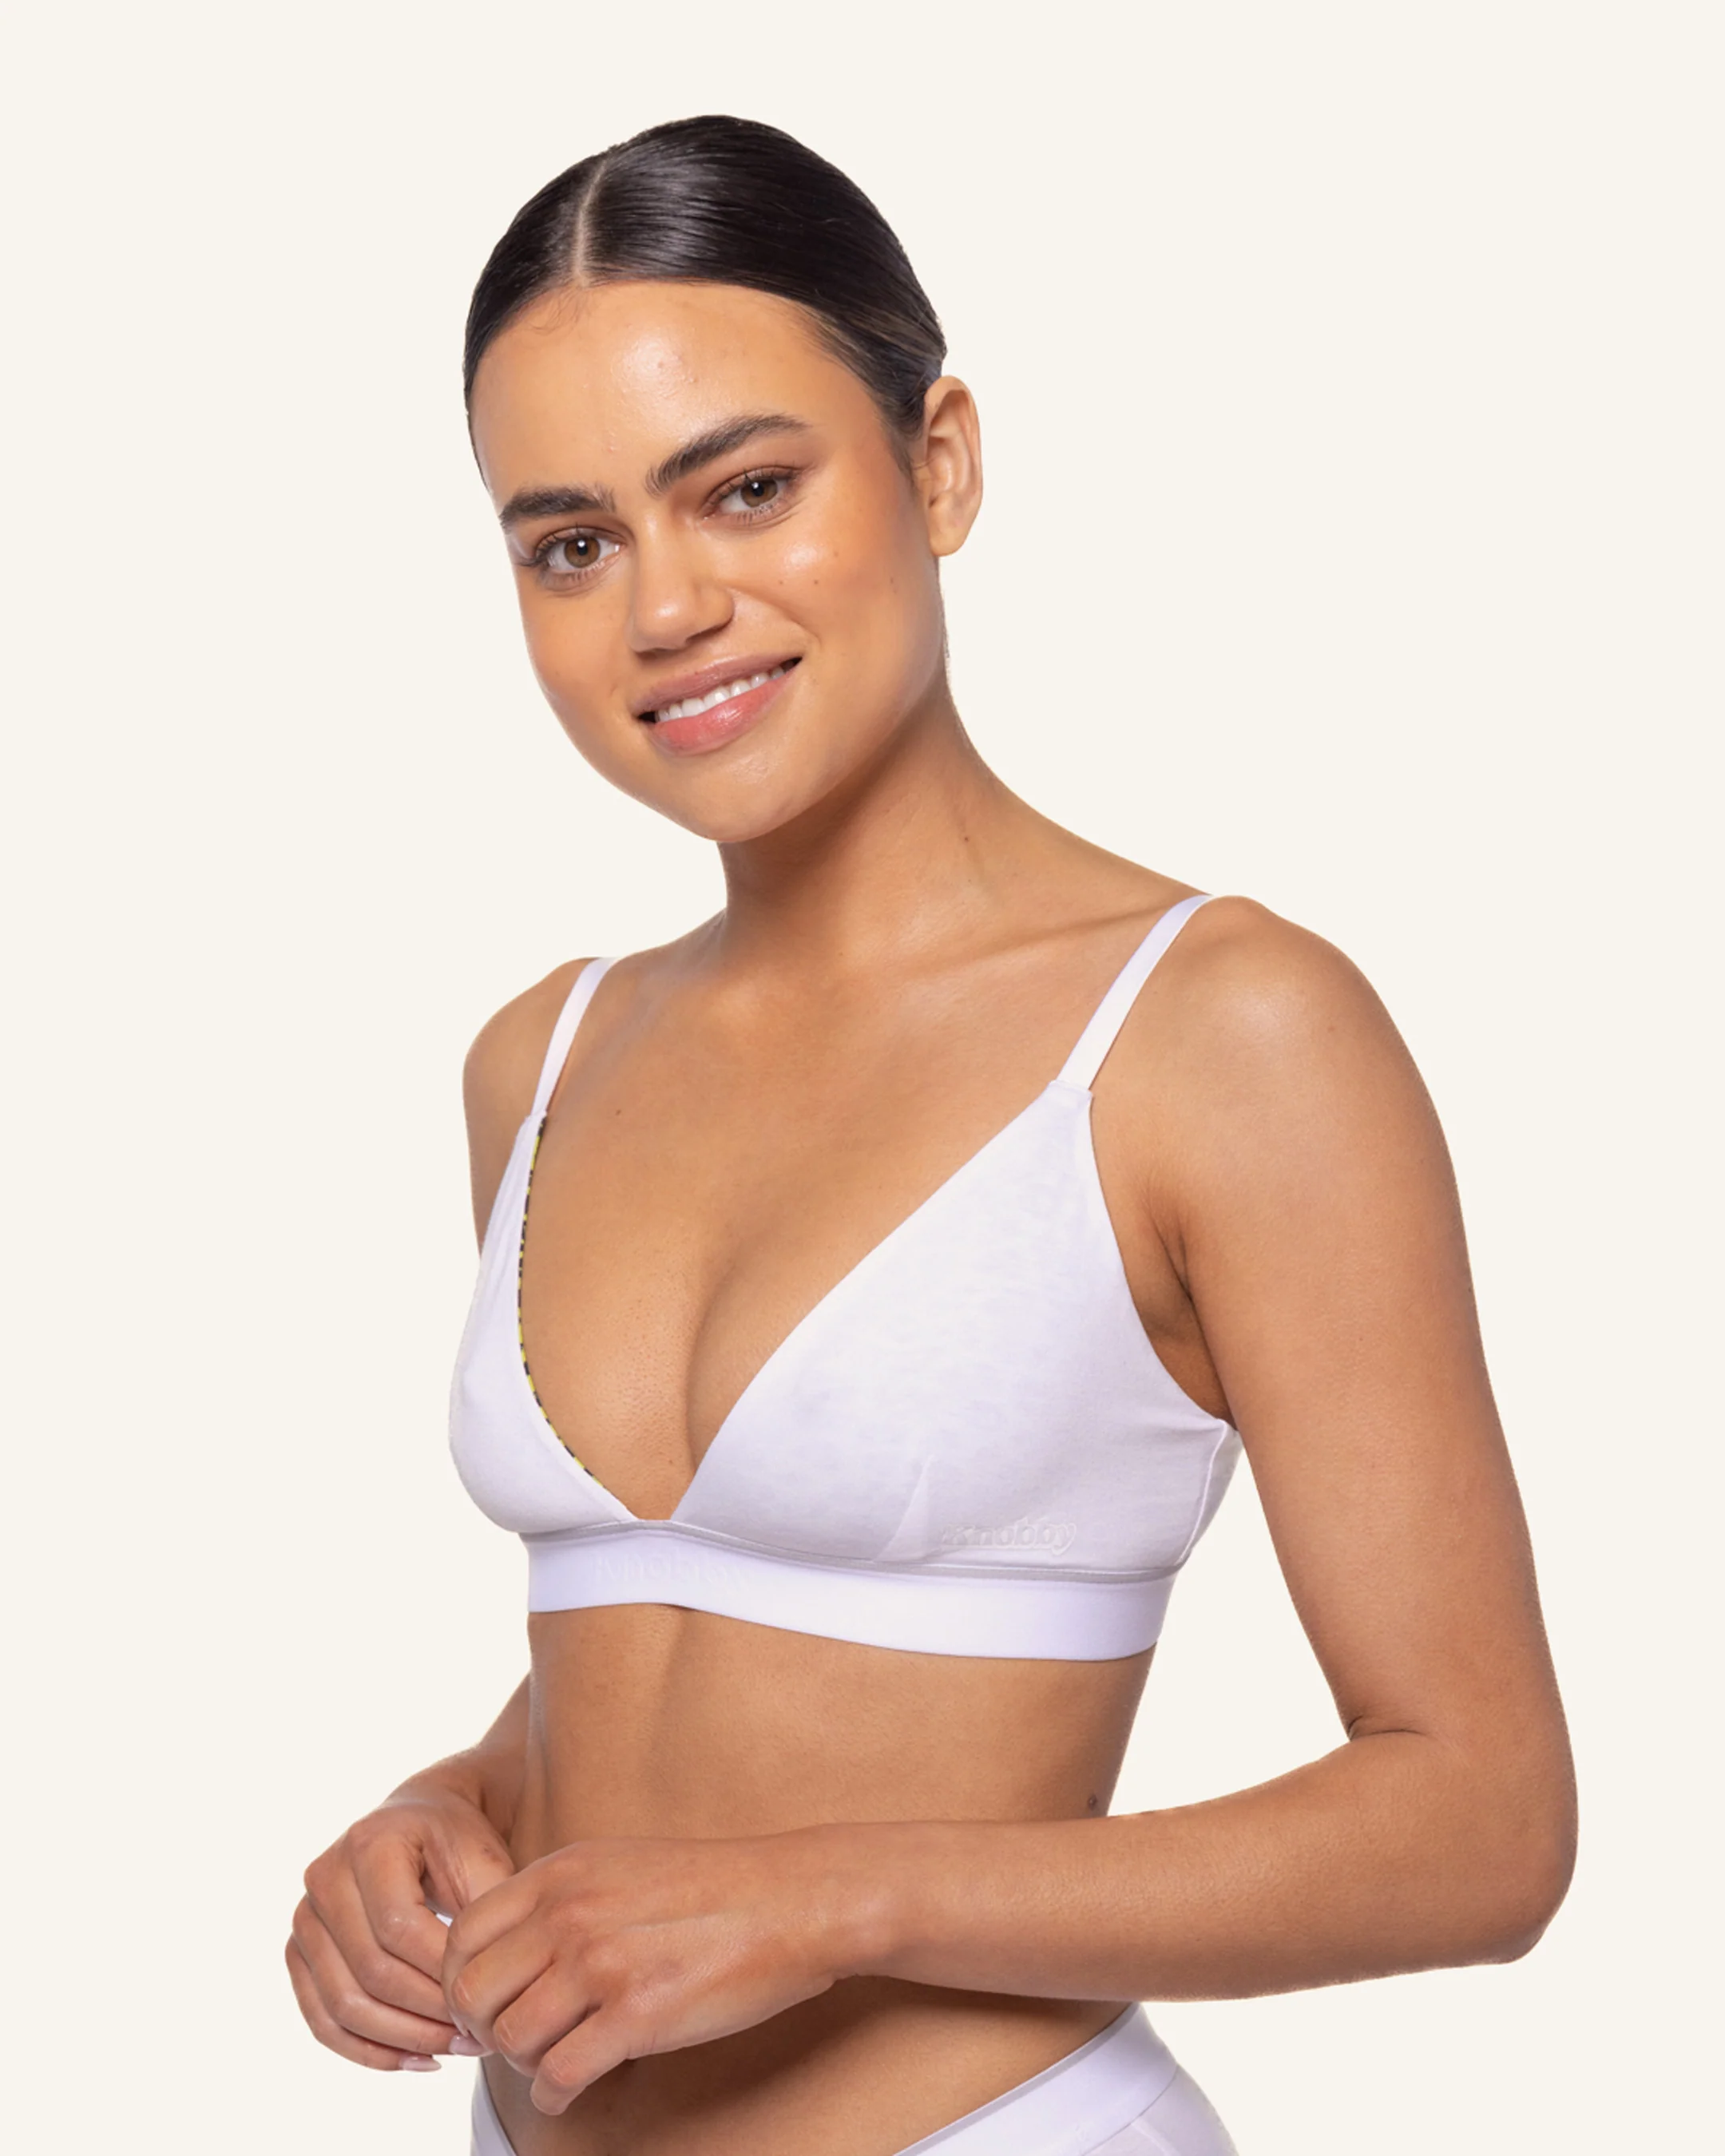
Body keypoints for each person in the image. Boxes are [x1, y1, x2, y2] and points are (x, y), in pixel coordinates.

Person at [285, 115, 1575, 2156]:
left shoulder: (1218, 1036)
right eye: (571, 543)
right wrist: (454, 1802)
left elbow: (1482, 1823)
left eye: (748, 489)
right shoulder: (544, 1057)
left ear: (941, 462)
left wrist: (832, 1903)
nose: (667, 606)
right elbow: (700, 1645)